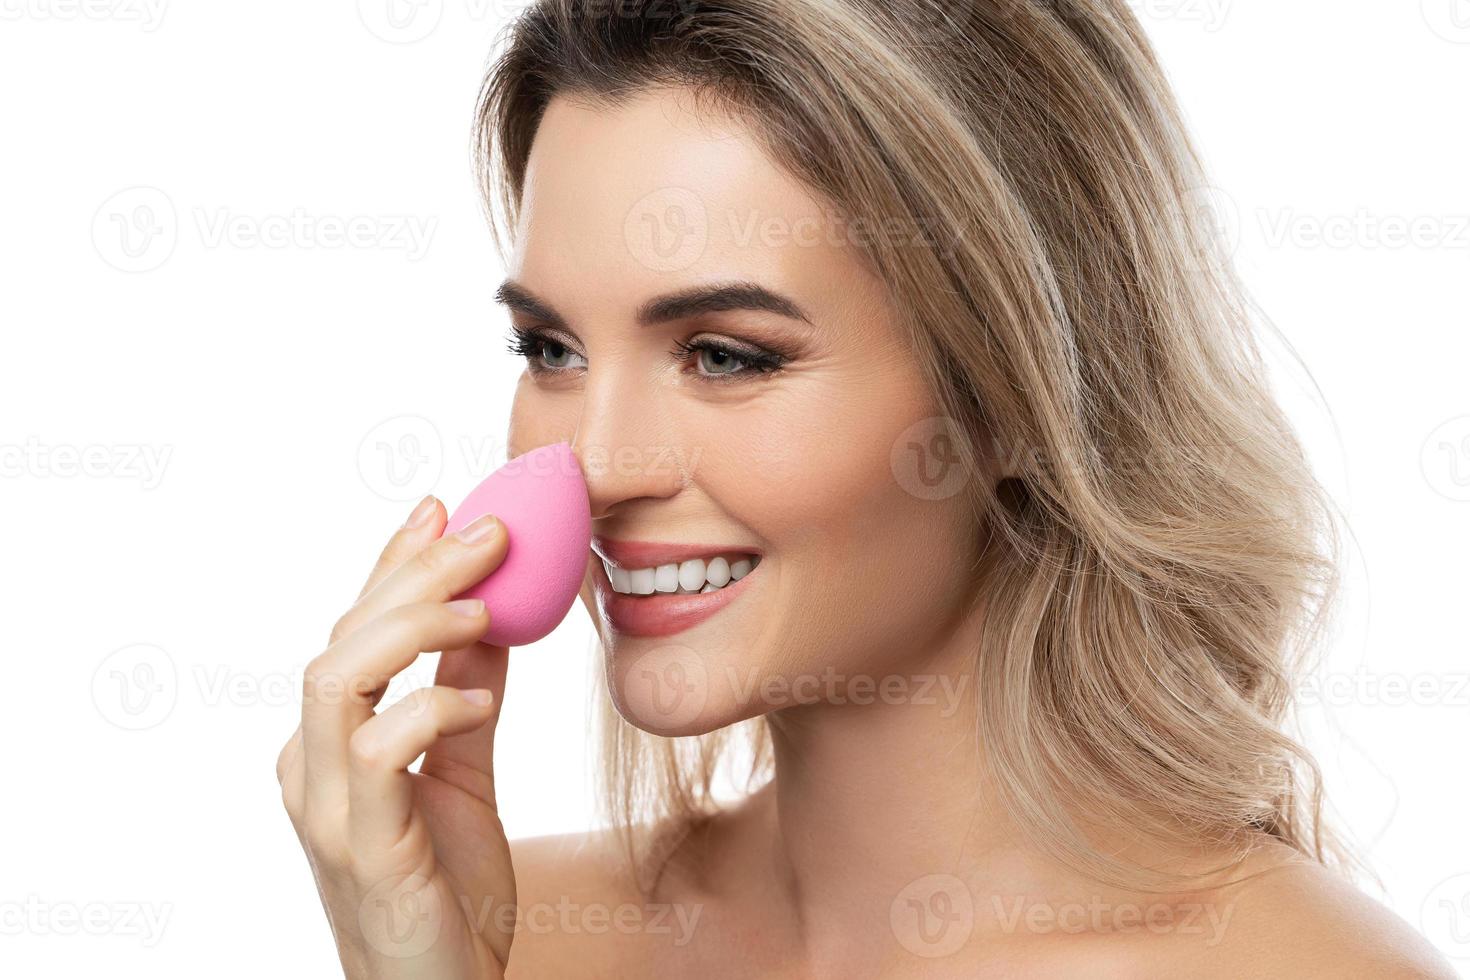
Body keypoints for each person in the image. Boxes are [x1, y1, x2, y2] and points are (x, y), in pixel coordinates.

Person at [276, 1, 1457, 975]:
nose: (591, 465)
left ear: (1014, 391)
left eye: (725, 354)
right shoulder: (505, 934)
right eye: (550, 351)